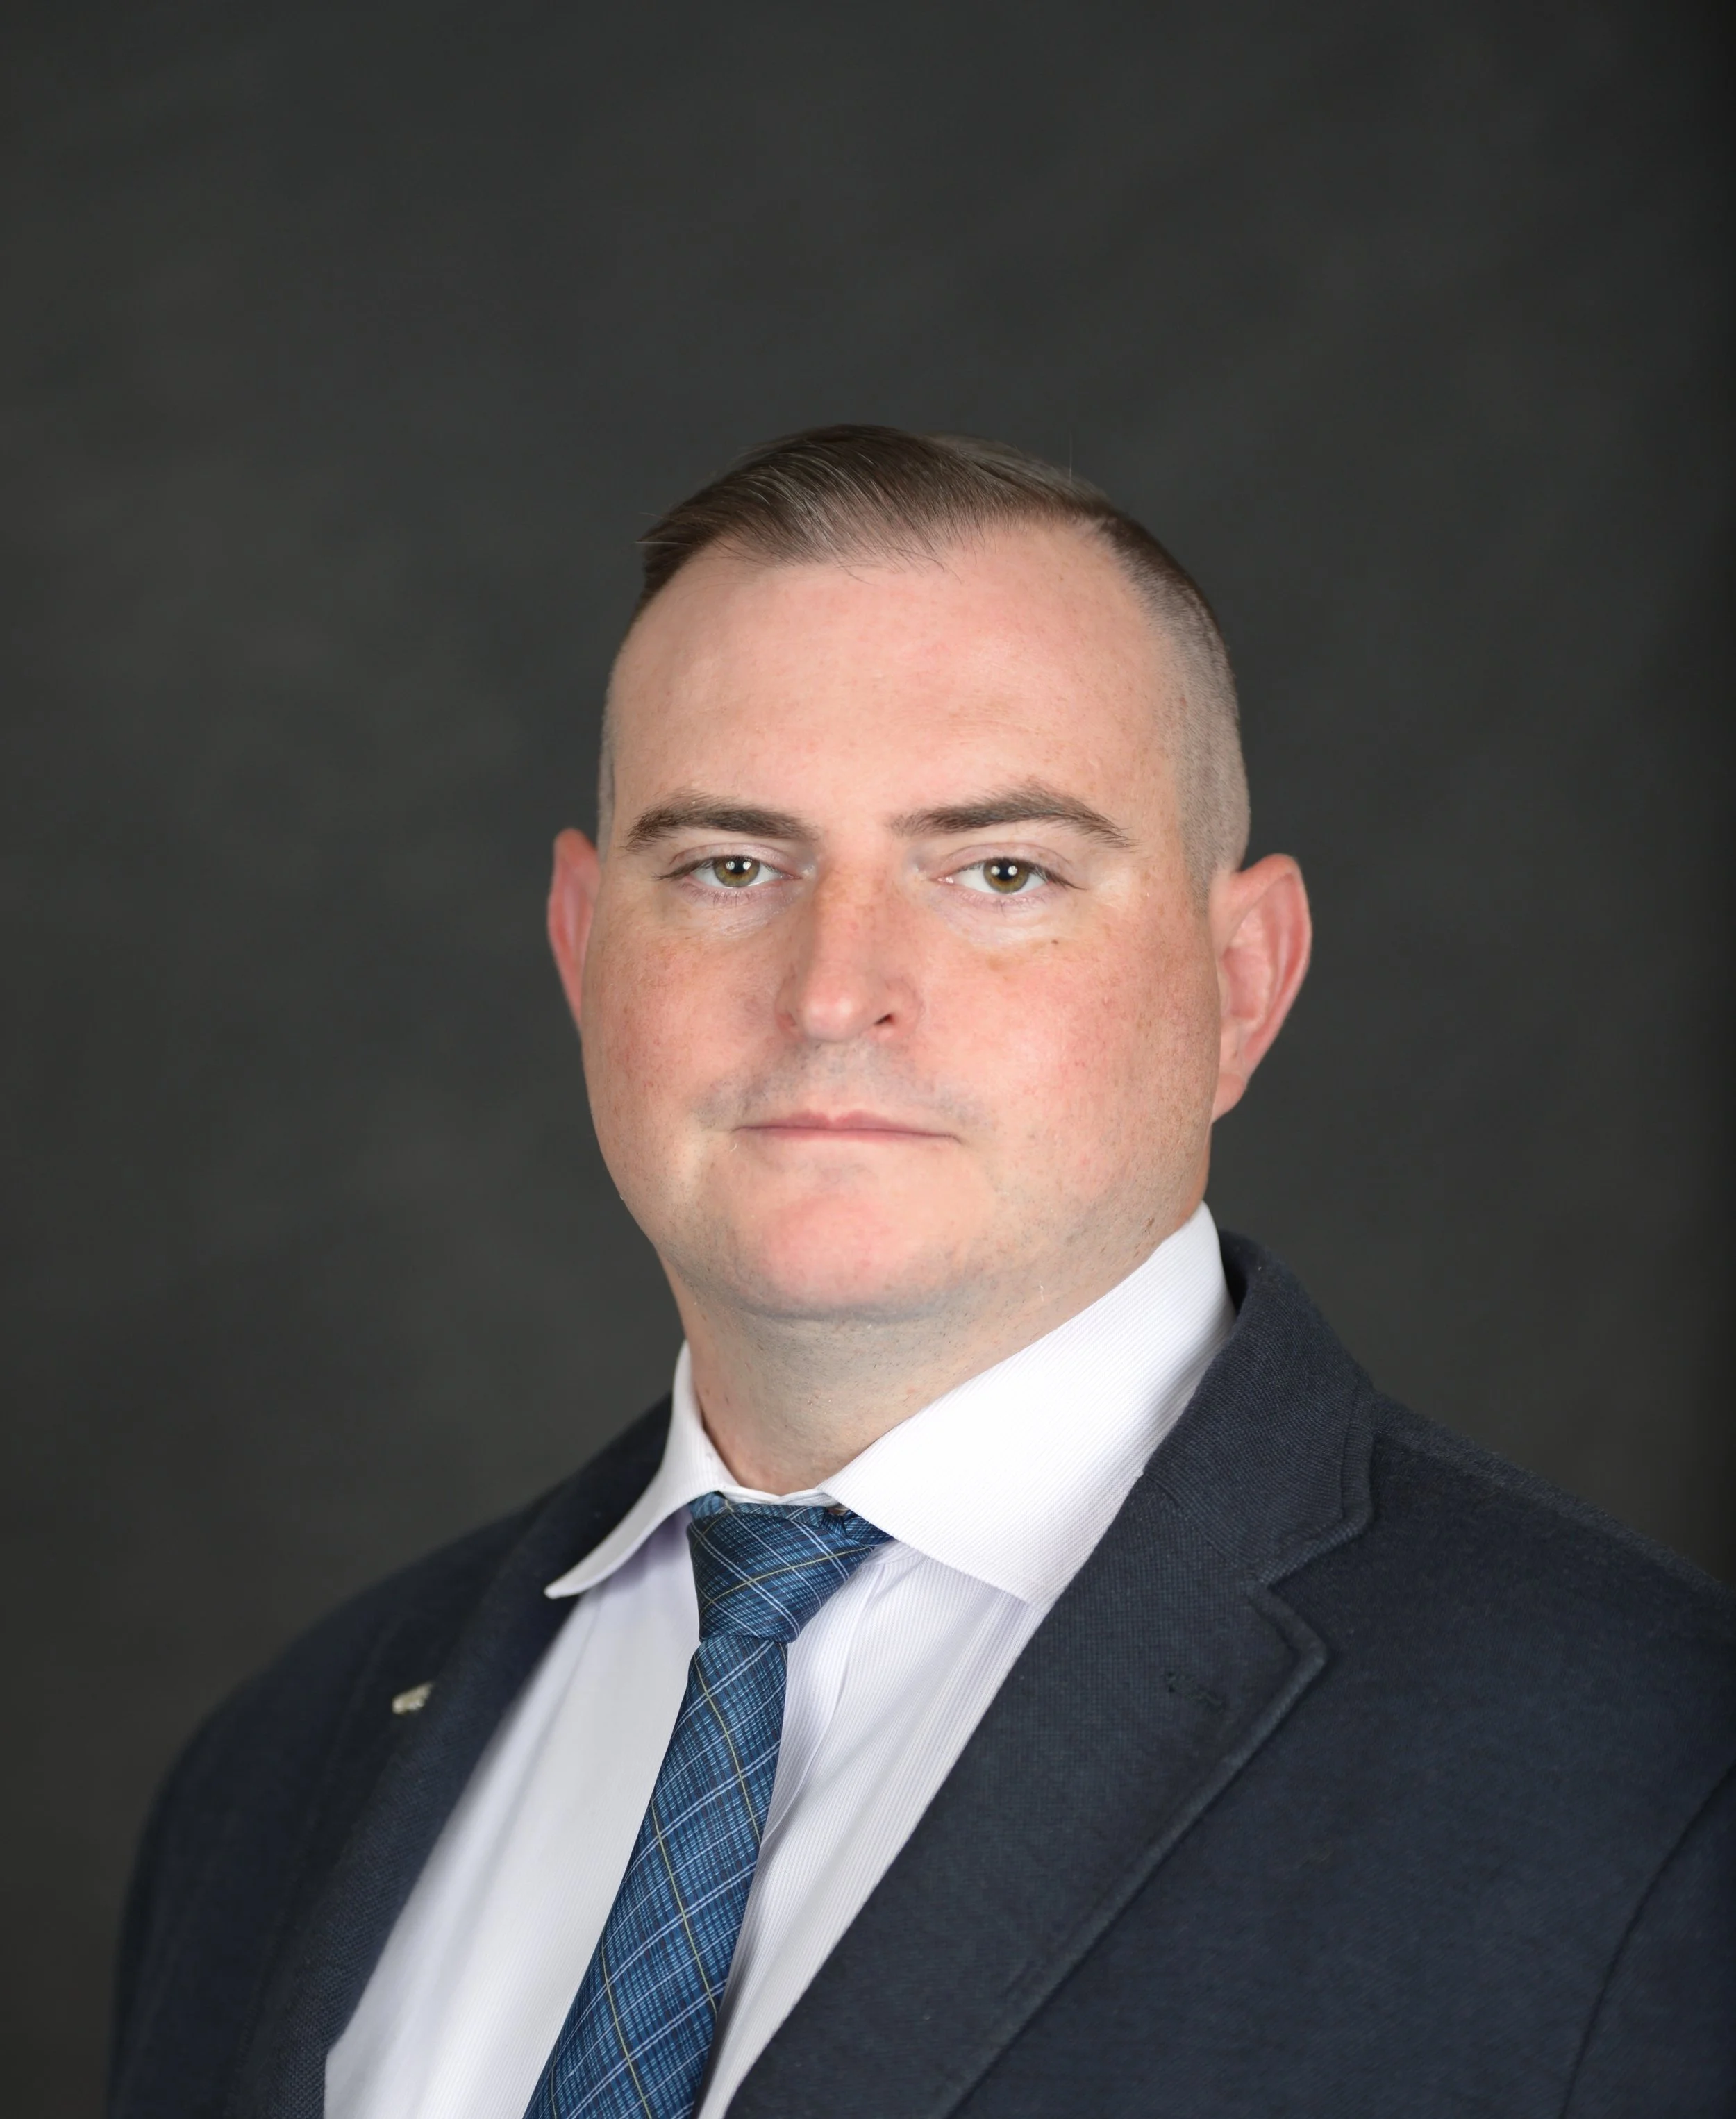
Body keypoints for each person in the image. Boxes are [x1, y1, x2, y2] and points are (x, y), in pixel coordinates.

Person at [110, 427, 1734, 2119]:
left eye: (1000, 871)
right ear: (585, 949)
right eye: (730, 864)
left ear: (1240, 984)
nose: (834, 991)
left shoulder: (1653, 1782)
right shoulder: (271, 1775)